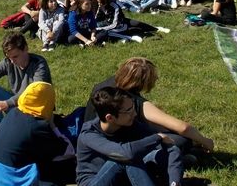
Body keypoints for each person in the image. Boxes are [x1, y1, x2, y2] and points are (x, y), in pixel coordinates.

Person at [76, 87, 198, 186]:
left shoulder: (129, 124)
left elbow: (171, 147)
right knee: (127, 159)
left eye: (133, 107)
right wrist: (157, 137)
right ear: (110, 117)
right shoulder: (88, 134)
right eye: (128, 111)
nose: (134, 113)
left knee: (163, 153)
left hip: (124, 184)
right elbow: (125, 153)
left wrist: (174, 185)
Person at [84, 58, 215, 157]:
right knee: (182, 140)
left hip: (93, 139)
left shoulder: (103, 86)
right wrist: (205, 141)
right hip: (119, 145)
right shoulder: (131, 100)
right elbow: (182, 127)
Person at [0, 81, 73, 186]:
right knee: (57, 166)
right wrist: (52, 124)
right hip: (10, 181)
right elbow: (68, 151)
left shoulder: (12, 113)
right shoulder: (38, 126)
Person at [0, 33, 52, 121]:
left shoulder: (39, 64)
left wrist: (7, 103)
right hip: (17, 105)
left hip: (35, 111)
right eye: (9, 57)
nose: (12, 61)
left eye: (15, 56)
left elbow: (34, 93)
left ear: (25, 49)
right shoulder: (8, 62)